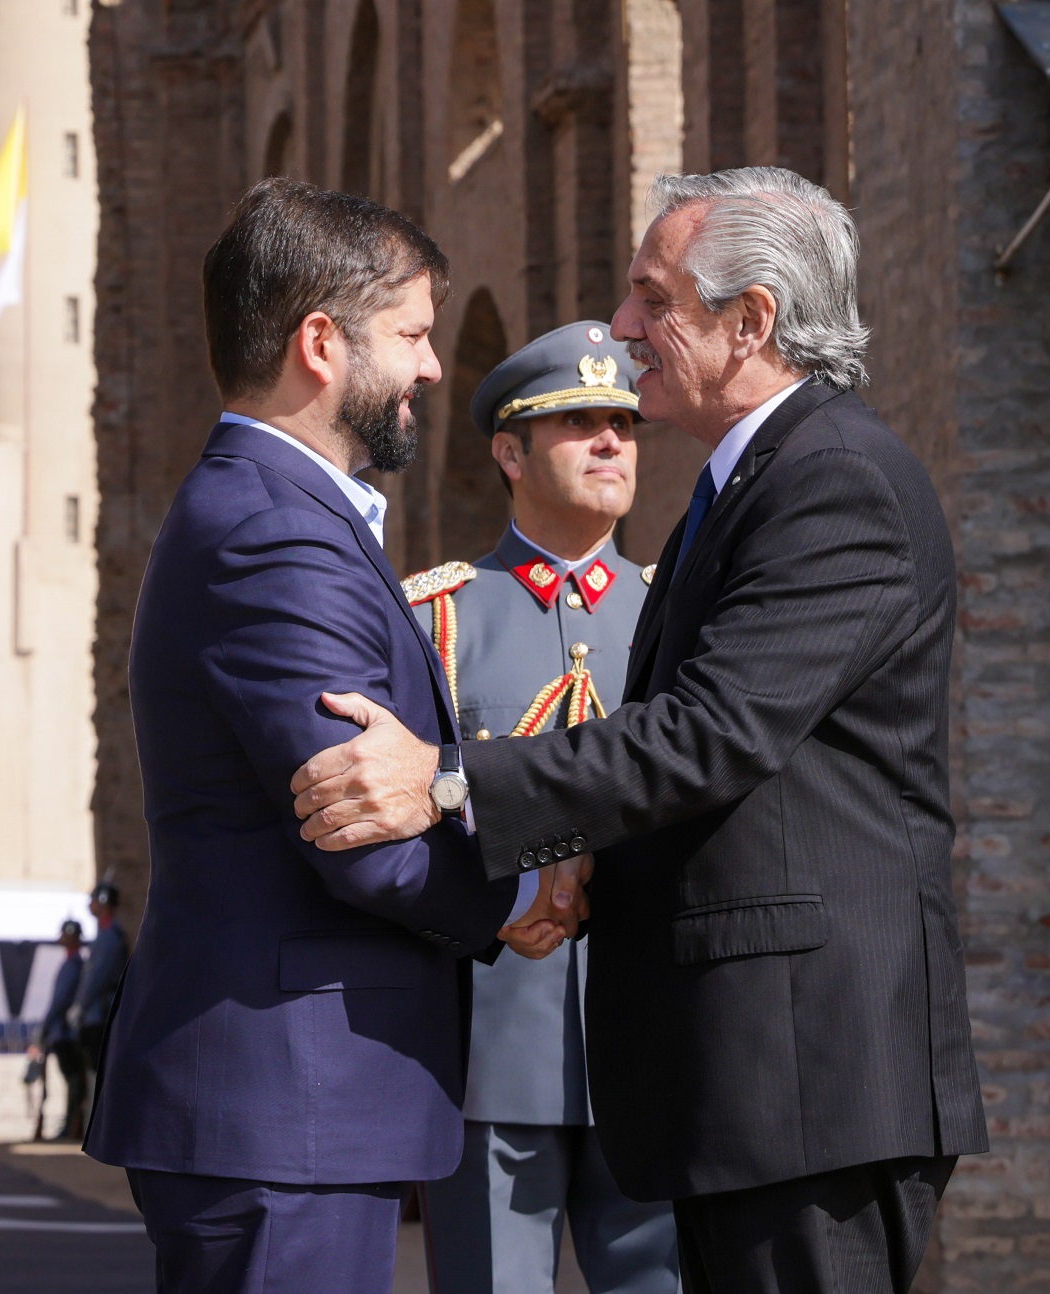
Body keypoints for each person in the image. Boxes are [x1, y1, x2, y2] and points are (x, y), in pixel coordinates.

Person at [291, 166, 988, 1294]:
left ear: (750, 320)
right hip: (739, 1076)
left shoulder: (833, 481)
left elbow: (708, 734)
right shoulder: (753, 481)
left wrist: (450, 783)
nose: (620, 328)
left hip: (806, 1080)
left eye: (649, 298)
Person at [82, 177, 578, 1294]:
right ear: (321, 342)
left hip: (288, 1106)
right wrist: (515, 900)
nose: (432, 367)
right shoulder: (274, 533)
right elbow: (358, 820)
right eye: (410, 333)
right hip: (284, 1104)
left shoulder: (277, 514)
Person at [404, 323, 678, 1294]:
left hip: (653, 1037)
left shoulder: (672, 615)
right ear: (508, 451)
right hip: (488, 1046)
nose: (609, 441)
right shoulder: (435, 618)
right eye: (577, 423)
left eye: (621, 423)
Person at [28, 919, 87, 1140]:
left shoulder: (73, 965)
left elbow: (59, 1001)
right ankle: (71, 1125)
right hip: (64, 1031)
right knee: (72, 1080)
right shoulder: (73, 963)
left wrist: (45, 1028)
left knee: (73, 1080)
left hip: (65, 1033)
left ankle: (71, 1126)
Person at [76, 881, 127, 1085]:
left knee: (98, 1073)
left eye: (95, 900)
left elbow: (97, 977)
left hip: (100, 1013)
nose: (91, 904)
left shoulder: (109, 938)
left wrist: (81, 1005)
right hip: (96, 1012)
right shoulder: (104, 935)